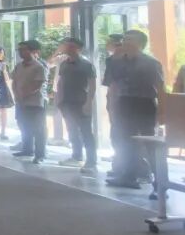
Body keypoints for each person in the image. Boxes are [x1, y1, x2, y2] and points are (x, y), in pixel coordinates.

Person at [103, 29, 166, 189]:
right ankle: (128, 176)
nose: (125, 42)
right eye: (125, 39)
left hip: (144, 103)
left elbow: (160, 88)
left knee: (149, 143)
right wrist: (112, 106)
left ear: (140, 44)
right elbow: (112, 85)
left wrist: (162, 111)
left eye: (130, 39)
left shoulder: (151, 62)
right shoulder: (116, 62)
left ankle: (159, 183)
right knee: (125, 142)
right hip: (124, 103)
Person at [55, 37, 99, 175]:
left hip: (81, 102)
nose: (68, 48)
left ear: (79, 49)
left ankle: (91, 161)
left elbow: (92, 85)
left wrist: (89, 102)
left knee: (86, 132)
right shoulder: (64, 64)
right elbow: (61, 82)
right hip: (66, 102)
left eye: (71, 46)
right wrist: (59, 99)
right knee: (72, 130)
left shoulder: (86, 65)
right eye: (67, 46)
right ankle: (76, 156)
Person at [12, 40, 48, 164]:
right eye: (19, 50)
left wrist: (25, 95)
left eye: (23, 49)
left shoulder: (39, 67)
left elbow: (38, 84)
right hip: (20, 102)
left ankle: (40, 154)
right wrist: (16, 95)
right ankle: (27, 149)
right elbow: (14, 82)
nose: (20, 52)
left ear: (32, 51)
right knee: (23, 126)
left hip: (35, 103)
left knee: (38, 129)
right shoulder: (18, 66)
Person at [101, 33, 125, 161]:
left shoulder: (114, 60)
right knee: (116, 126)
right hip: (114, 95)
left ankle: (122, 155)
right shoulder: (110, 60)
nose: (106, 44)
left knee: (120, 126)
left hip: (120, 97)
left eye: (109, 42)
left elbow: (111, 81)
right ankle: (119, 155)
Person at [0, 47, 14, 141]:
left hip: (3, 88)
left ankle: (3, 131)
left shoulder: (4, 65)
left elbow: (8, 79)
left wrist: (4, 70)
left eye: (2, 53)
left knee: (3, 110)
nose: (0, 55)